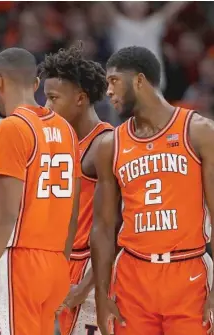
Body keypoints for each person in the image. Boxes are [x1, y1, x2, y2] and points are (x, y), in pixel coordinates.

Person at [0, 47, 81, 335]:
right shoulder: (66, 129)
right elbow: (72, 212)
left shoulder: (13, 128)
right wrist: (61, 267)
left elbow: (5, 215)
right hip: (55, 264)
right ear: (36, 85)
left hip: (19, 263)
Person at [91, 45, 214, 335]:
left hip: (188, 271)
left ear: (139, 80)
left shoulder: (198, 131)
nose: (108, 91)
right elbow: (103, 226)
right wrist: (100, 295)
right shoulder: (111, 145)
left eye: (113, 81)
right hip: (133, 274)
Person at [38, 45, 113, 335]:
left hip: (90, 269)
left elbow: (116, 228)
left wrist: (84, 288)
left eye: (53, 98)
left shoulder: (104, 145)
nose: (46, 106)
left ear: (80, 99)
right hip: (60, 263)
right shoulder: (59, 142)